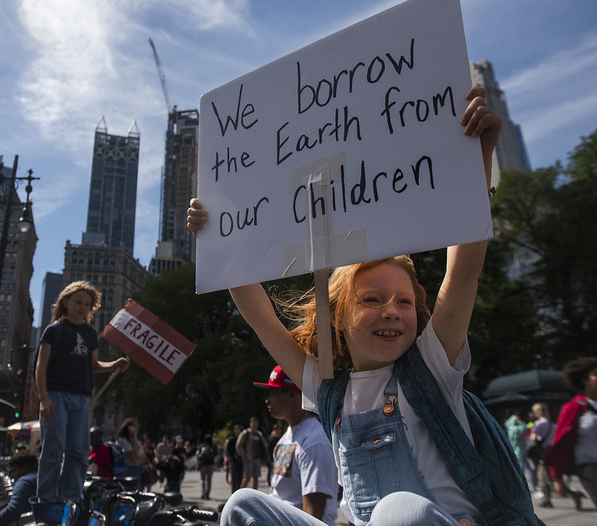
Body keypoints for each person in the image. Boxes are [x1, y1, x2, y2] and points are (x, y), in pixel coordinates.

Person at [190, 88, 540, 525]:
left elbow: (463, 271)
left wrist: (478, 155)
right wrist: (220, 238)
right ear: (336, 316)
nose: (392, 310)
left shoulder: (432, 363)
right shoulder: (326, 386)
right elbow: (261, 318)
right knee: (243, 505)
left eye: (405, 301)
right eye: (372, 300)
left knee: (400, 511)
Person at [35, 280, 130, 504]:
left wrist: (113, 364)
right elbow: (41, 366)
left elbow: (93, 365)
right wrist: (43, 397)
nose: (82, 307)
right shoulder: (53, 330)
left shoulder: (89, 333)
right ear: (65, 302)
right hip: (56, 394)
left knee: (78, 450)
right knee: (53, 447)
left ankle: (71, 498)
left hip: (82, 397)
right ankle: (47, 499)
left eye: (87, 304)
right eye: (77, 302)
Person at [254, 365, 338, 525]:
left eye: (273, 392)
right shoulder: (286, 438)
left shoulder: (314, 441)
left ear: (292, 393)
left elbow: (313, 515)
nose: (267, 399)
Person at [544, 356, 597, 510]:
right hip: (589, 466)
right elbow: (560, 442)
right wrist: (557, 477)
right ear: (584, 380)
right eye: (595, 374)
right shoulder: (574, 407)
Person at [0, 451, 38, 526]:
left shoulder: (24, 482)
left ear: (24, 468)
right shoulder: (39, 477)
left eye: (15, 470)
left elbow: (14, 510)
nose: (12, 475)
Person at [505, 411, 540, 498]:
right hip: (521, 452)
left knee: (520, 472)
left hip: (516, 452)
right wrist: (520, 421)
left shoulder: (510, 427)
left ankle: (520, 489)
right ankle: (534, 489)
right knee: (527, 471)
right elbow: (524, 428)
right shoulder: (516, 428)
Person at [529, 402, 555, 508]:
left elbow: (533, 437)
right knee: (549, 477)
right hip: (551, 451)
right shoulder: (552, 424)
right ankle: (547, 500)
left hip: (542, 453)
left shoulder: (539, 423)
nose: (534, 413)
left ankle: (547, 499)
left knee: (543, 477)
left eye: (535, 411)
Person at [236, 416, 268, 490]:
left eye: (256, 423)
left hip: (257, 458)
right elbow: (238, 445)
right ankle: (240, 493)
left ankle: (254, 494)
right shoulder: (246, 433)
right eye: (253, 423)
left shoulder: (259, 434)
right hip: (248, 458)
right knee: (247, 477)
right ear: (250, 424)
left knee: (256, 477)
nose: (254, 425)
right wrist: (243, 455)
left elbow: (263, 446)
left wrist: (264, 459)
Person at [116, 418, 148, 489]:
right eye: (133, 426)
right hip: (129, 472)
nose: (135, 429)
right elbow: (134, 456)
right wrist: (135, 437)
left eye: (137, 426)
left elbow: (144, 457)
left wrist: (138, 460)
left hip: (138, 472)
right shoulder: (123, 441)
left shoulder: (137, 441)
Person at [196, 434, 217, 500]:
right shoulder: (213, 446)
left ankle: (203, 493)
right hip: (210, 464)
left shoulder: (201, 446)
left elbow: (197, 454)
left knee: (203, 479)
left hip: (202, 465)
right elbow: (215, 455)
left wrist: (198, 463)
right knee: (209, 480)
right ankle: (207, 494)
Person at [225, 424, 243, 493]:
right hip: (233, 461)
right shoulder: (232, 439)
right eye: (236, 430)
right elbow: (228, 450)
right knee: (234, 478)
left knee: (240, 477)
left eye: (238, 429)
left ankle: (239, 492)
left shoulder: (242, 438)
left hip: (241, 460)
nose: (237, 431)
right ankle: (234, 492)